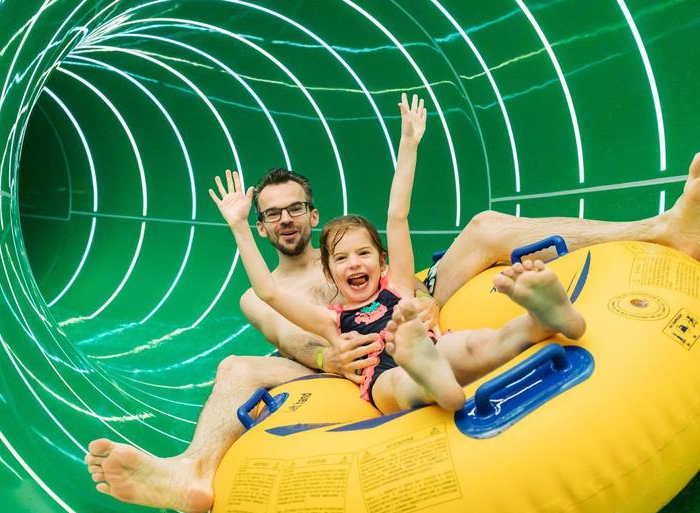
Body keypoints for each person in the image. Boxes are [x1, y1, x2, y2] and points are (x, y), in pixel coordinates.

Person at [84, 132, 700, 513]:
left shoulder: (357, 254)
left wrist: (421, 298)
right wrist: (334, 354)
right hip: (343, 357)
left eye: (296, 207)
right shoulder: (265, 295)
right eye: (273, 215)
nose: (287, 219)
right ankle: (193, 469)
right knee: (233, 366)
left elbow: (397, 227)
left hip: (407, 308)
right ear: (265, 226)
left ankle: (661, 230)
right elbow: (298, 338)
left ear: (314, 214)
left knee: (485, 226)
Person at [210, 93, 585, 414]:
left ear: (383, 262)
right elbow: (268, 292)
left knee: (475, 343)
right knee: (398, 386)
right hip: (385, 372)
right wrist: (239, 227)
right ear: (330, 273)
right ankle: (429, 378)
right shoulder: (330, 321)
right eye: (341, 259)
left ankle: (544, 317)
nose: (354, 263)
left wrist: (409, 145)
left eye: (363, 254)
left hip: (434, 345)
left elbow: (397, 215)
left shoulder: (401, 288)